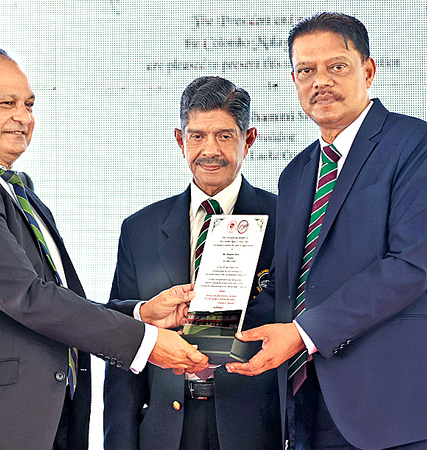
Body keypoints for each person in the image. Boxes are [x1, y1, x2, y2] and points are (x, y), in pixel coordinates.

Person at [0, 45, 208, 450]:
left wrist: (140, 313)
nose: (23, 117)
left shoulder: (14, 188)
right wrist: (144, 342)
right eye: (6, 103)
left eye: (28, 104)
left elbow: (57, 298)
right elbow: (28, 298)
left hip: (39, 420)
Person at [226, 12, 427, 450]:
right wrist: (210, 326)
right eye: (305, 70)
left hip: (403, 406)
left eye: (336, 66)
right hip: (311, 405)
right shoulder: (295, 175)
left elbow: (409, 266)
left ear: (368, 70)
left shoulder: (417, 144)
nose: (320, 81)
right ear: (293, 81)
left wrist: (303, 333)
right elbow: (290, 286)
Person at [103, 76, 281, 450]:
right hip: (164, 430)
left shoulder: (286, 221)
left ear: (248, 140)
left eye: (224, 135)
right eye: (197, 136)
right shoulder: (140, 229)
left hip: (257, 430)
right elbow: (124, 347)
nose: (209, 150)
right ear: (180, 140)